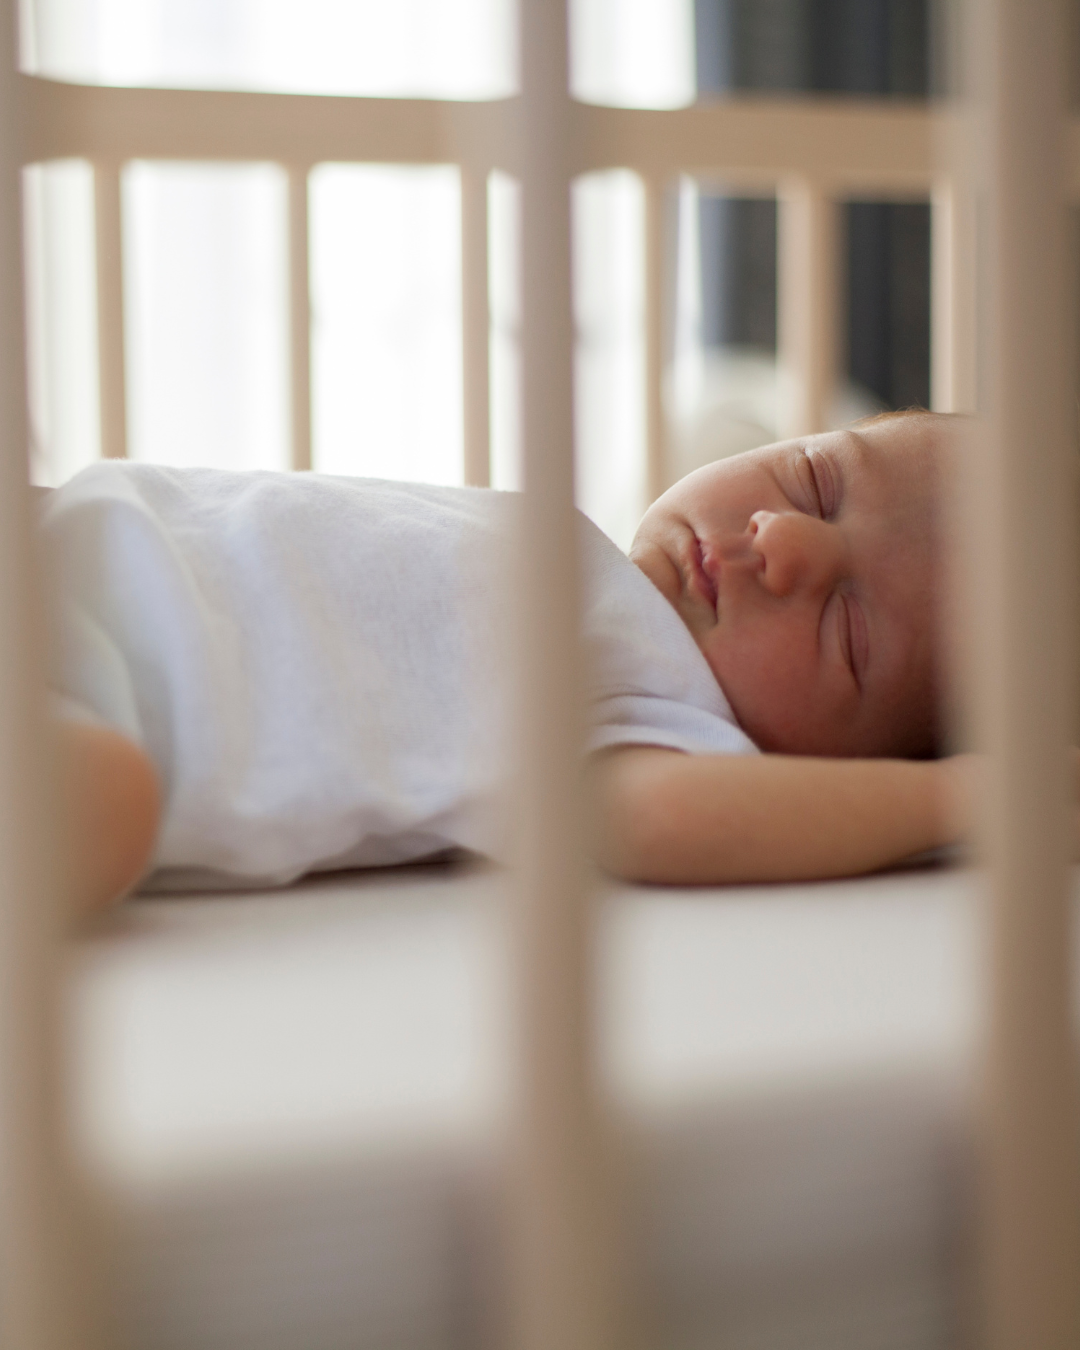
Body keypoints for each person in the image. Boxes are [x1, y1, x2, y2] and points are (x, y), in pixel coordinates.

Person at [41, 409, 966, 910]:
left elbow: (653, 824)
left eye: (849, 633)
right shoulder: (586, 560)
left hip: (92, 704)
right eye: (818, 480)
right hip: (65, 539)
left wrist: (969, 793)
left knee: (99, 800)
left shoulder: (663, 706)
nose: (786, 542)